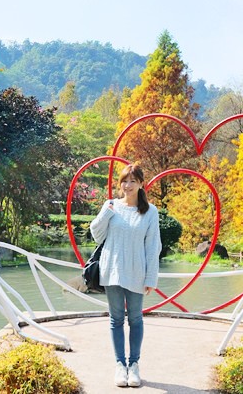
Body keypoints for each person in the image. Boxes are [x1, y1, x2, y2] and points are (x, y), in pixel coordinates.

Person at [90, 163, 162, 387]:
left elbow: (152, 246)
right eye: (124, 181)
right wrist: (106, 212)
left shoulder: (150, 212)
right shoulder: (111, 205)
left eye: (132, 181)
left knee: (136, 319)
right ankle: (120, 365)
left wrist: (151, 278)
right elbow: (96, 234)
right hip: (111, 269)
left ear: (141, 184)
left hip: (136, 271)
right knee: (116, 319)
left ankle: (134, 365)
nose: (127, 185)